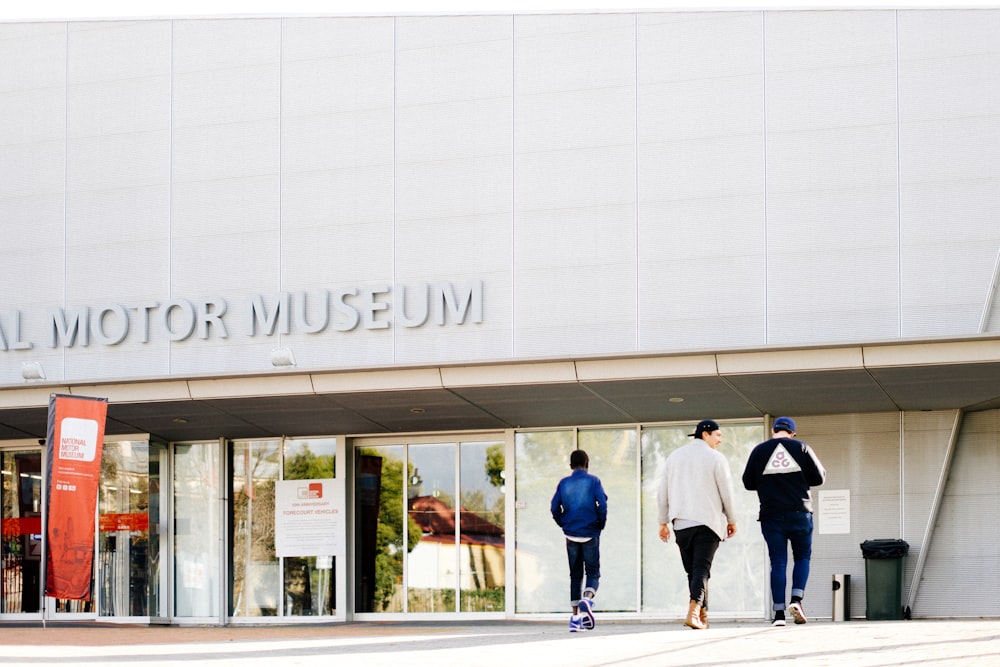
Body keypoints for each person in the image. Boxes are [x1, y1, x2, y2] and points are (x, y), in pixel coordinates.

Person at [742, 416, 827, 627]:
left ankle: (779, 614)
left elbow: (747, 482)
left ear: (773, 431)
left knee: (778, 562)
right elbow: (819, 478)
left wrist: (768, 481)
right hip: (800, 512)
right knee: (802, 557)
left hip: (771, 515)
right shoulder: (802, 447)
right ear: (792, 433)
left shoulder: (759, 451)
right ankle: (796, 600)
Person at [657, 419, 737, 630]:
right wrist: (731, 519)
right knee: (701, 570)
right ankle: (693, 612)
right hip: (707, 522)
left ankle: (702, 616)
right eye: (718, 435)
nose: (720, 440)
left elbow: (662, 490)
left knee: (694, 572)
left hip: (680, 523)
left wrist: (663, 521)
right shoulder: (716, 458)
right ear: (705, 434)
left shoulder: (674, 457)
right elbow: (726, 492)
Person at [551, 449, 608, 633]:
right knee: (593, 573)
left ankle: (575, 619)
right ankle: (588, 597)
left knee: (575, 575)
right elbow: (603, 503)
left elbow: (554, 508)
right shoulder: (593, 481)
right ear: (587, 464)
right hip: (590, 532)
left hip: (571, 534)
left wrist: (564, 524)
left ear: (570, 466)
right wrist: (600, 523)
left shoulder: (563, 483)